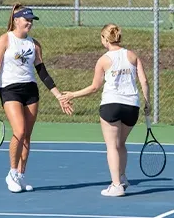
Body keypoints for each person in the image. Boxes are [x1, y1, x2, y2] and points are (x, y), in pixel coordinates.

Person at [0, 3, 73, 193]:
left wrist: (59, 95)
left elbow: (42, 72)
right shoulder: (5, 40)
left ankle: (20, 175)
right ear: (16, 20)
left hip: (30, 90)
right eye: (27, 20)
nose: (30, 24)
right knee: (19, 130)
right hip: (10, 89)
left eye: (31, 21)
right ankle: (11, 173)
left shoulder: (34, 44)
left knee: (27, 135)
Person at [60, 23, 151, 197]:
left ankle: (116, 185)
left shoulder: (103, 60)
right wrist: (147, 103)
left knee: (112, 146)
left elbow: (95, 87)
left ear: (104, 39)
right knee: (121, 144)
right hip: (132, 106)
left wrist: (73, 94)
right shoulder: (132, 55)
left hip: (111, 105)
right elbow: (144, 82)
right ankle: (122, 178)